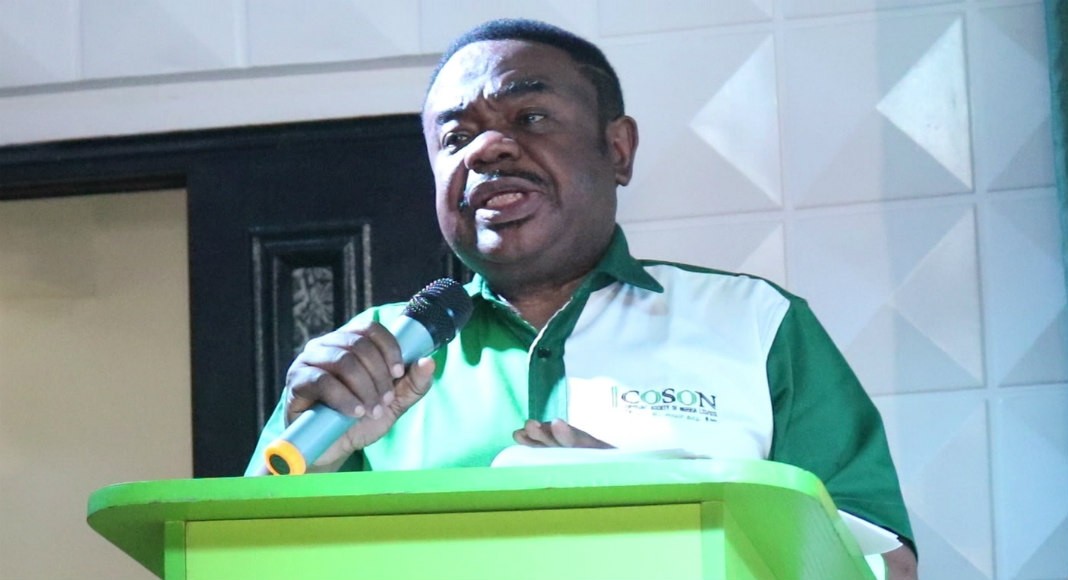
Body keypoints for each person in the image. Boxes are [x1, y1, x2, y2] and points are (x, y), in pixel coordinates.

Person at [248, 18, 918, 578]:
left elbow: (882, 568)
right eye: (454, 138)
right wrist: (315, 461)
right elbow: (240, 563)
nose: (486, 149)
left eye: (531, 116)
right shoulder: (369, 359)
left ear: (617, 150)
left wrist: (658, 512)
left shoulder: (757, 324)